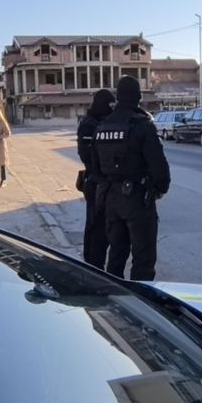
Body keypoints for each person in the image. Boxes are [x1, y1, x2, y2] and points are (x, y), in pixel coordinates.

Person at [92, 76, 170, 281]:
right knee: (143, 260)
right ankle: (139, 299)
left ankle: (113, 295)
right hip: (137, 199)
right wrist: (159, 189)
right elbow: (160, 168)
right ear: (138, 98)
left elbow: (95, 168)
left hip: (110, 199)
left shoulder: (103, 126)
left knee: (116, 255)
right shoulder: (142, 125)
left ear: (118, 97)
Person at [77, 89, 115, 269]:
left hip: (107, 185)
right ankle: (92, 269)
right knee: (95, 230)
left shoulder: (105, 122)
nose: (111, 109)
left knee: (108, 231)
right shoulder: (89, 124)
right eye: (109, 105)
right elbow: (86, 156)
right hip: (95, 184)